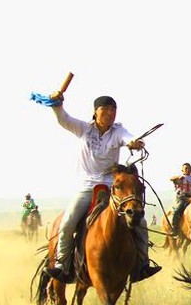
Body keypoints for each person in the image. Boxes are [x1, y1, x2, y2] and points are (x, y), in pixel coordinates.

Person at [43, 95, 161, 283]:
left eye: (113, 110)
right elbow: (63, 119)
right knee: (67, 223)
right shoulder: (83, 128)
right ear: (95, 112)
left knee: (140, 222)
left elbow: (128, 138)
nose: (109, 113)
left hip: (111, 188)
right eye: (104, 110)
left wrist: (134, 142)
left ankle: (142, 265)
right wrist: (57, 105)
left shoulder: (118, 130)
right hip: (86, 186)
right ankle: (62, 265)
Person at [169, 163, 191, 235]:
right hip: (183, 197)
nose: (187, 170)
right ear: (182, 170)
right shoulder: (181, 177)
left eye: (189, 168)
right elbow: (170, 178)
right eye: (186, 168)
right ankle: (174, 228)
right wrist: (178, 176)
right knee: (177, 211)